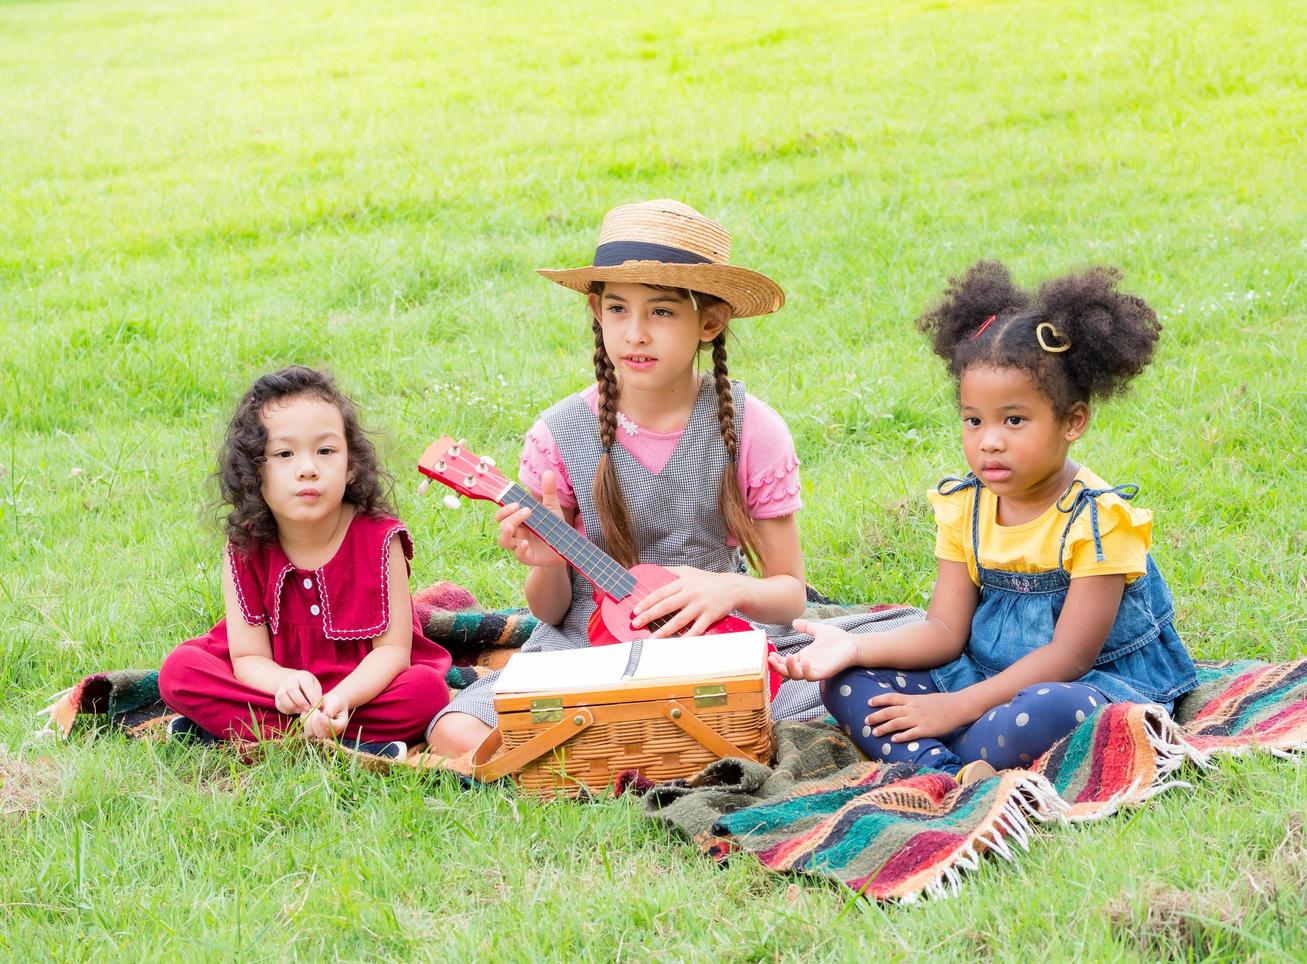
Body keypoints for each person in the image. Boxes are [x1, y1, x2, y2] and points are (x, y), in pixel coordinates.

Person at [426, 199, 891, 757]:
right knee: (456, 730)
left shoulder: (753, 429)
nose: (636, 333)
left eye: (662, 312)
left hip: (716, 641)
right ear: (597, 310)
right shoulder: (558, 434)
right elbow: (549, 611)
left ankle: (615, 745)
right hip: (587, 645)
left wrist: (729, 590)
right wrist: (548, 565)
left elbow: (789, 595)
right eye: (618, 309)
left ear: (710, 321)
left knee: (871, 683)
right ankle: (652, 740)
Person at [772, 261, 1196, 782]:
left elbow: (1069, 656)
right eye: (974, 420)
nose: (989, 440)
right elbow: (945, 631)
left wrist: (956, 708)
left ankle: (939, 757)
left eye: (1013, 420)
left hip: (1083, 683)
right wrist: (854, 646)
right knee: (845, 682)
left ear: (1073, 421)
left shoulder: (1100, 520)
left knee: (1054, 714)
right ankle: (958, 768)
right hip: (979, 678)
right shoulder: (966, 507)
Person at [159, 366, 451, 760]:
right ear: (254, 471)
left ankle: (268, 733)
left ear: (350, 466)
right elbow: (247, 657)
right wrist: (284, 682)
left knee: (426, 692)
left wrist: (342, 699)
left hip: (363, 689)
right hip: (277, 689)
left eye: (326, 451)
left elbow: (393, 652)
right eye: (284, 454)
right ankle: (341, 742)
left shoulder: (381, 539)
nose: (308, 467)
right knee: (180, 672)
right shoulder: (245, 546)